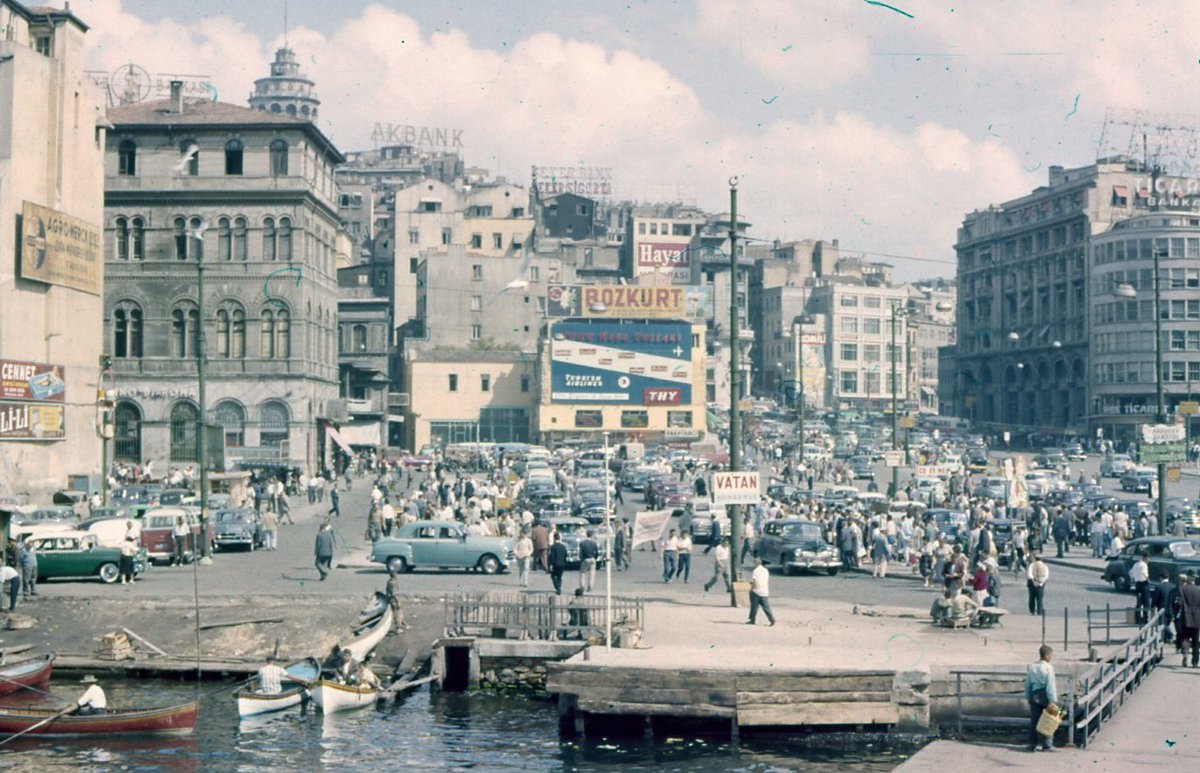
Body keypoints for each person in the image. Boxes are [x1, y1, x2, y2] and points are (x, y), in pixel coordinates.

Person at [1024, 644, 1057, 752]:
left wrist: (1028, 696)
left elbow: (1027, 683)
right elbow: (1050, 685)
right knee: (1049, 719)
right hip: (1045, 695)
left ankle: (1032, 743)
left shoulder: (1032, 667)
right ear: (1047, 656)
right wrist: (1052, 701)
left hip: (1034, 694)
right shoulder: (1048, 668)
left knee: (1034, 720)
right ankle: (1047, 744)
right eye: (1051, 655)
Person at [1180, 571, 1200, 668]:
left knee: (1185, 639)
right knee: (1196, 641)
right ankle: (1195, 662)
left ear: (1187, 578)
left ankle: (1185, 655)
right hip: (1196, 619)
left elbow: (1179, 603)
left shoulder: (1182, 589)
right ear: (1194, 579)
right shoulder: (1198, 590)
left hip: (1185, 618)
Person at [748, 558, 776, 626]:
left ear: (756, 563)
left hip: (757, 591)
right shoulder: (766, 570)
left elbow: (755, 582)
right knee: (766, 607)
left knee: (754, 606)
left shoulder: (755, 571)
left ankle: (752, 619)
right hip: (765, 591)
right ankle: (771, 618)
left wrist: (751, 589)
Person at [1130, 552, 1151, 624]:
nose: (1149, 560)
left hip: (1137, 584)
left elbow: (1131, 573)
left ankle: (1137, 618)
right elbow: (1144, 573)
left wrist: (1135, 578)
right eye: (1148, 558)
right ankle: (1145, 619)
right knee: (1146, 602)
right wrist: (1148, 579)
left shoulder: (1136, 564)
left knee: (1139, 602)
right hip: (1144, 584)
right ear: (1145, 558)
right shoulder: (1144, 565)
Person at [386, 569, 407, 634]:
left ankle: (404, 624)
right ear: (394, 575)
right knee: (397, 614)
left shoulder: (389, 581)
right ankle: (398, 628)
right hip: (394, 600)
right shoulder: (393, 583)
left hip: (390, 599)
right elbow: (394, 593)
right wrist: (398, 601)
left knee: (400, 612)